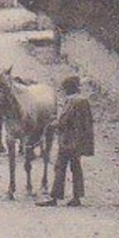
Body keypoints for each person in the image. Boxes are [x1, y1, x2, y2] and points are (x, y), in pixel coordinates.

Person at [41, 74, 94, 207]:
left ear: (68, 89)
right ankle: (77, 197)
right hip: (78, 141)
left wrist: (51, 124)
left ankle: (55, 197)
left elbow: (64, 120)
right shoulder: (83, 101)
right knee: (76, 168)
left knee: (60, 167)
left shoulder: (73, 101)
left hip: (68, 141)